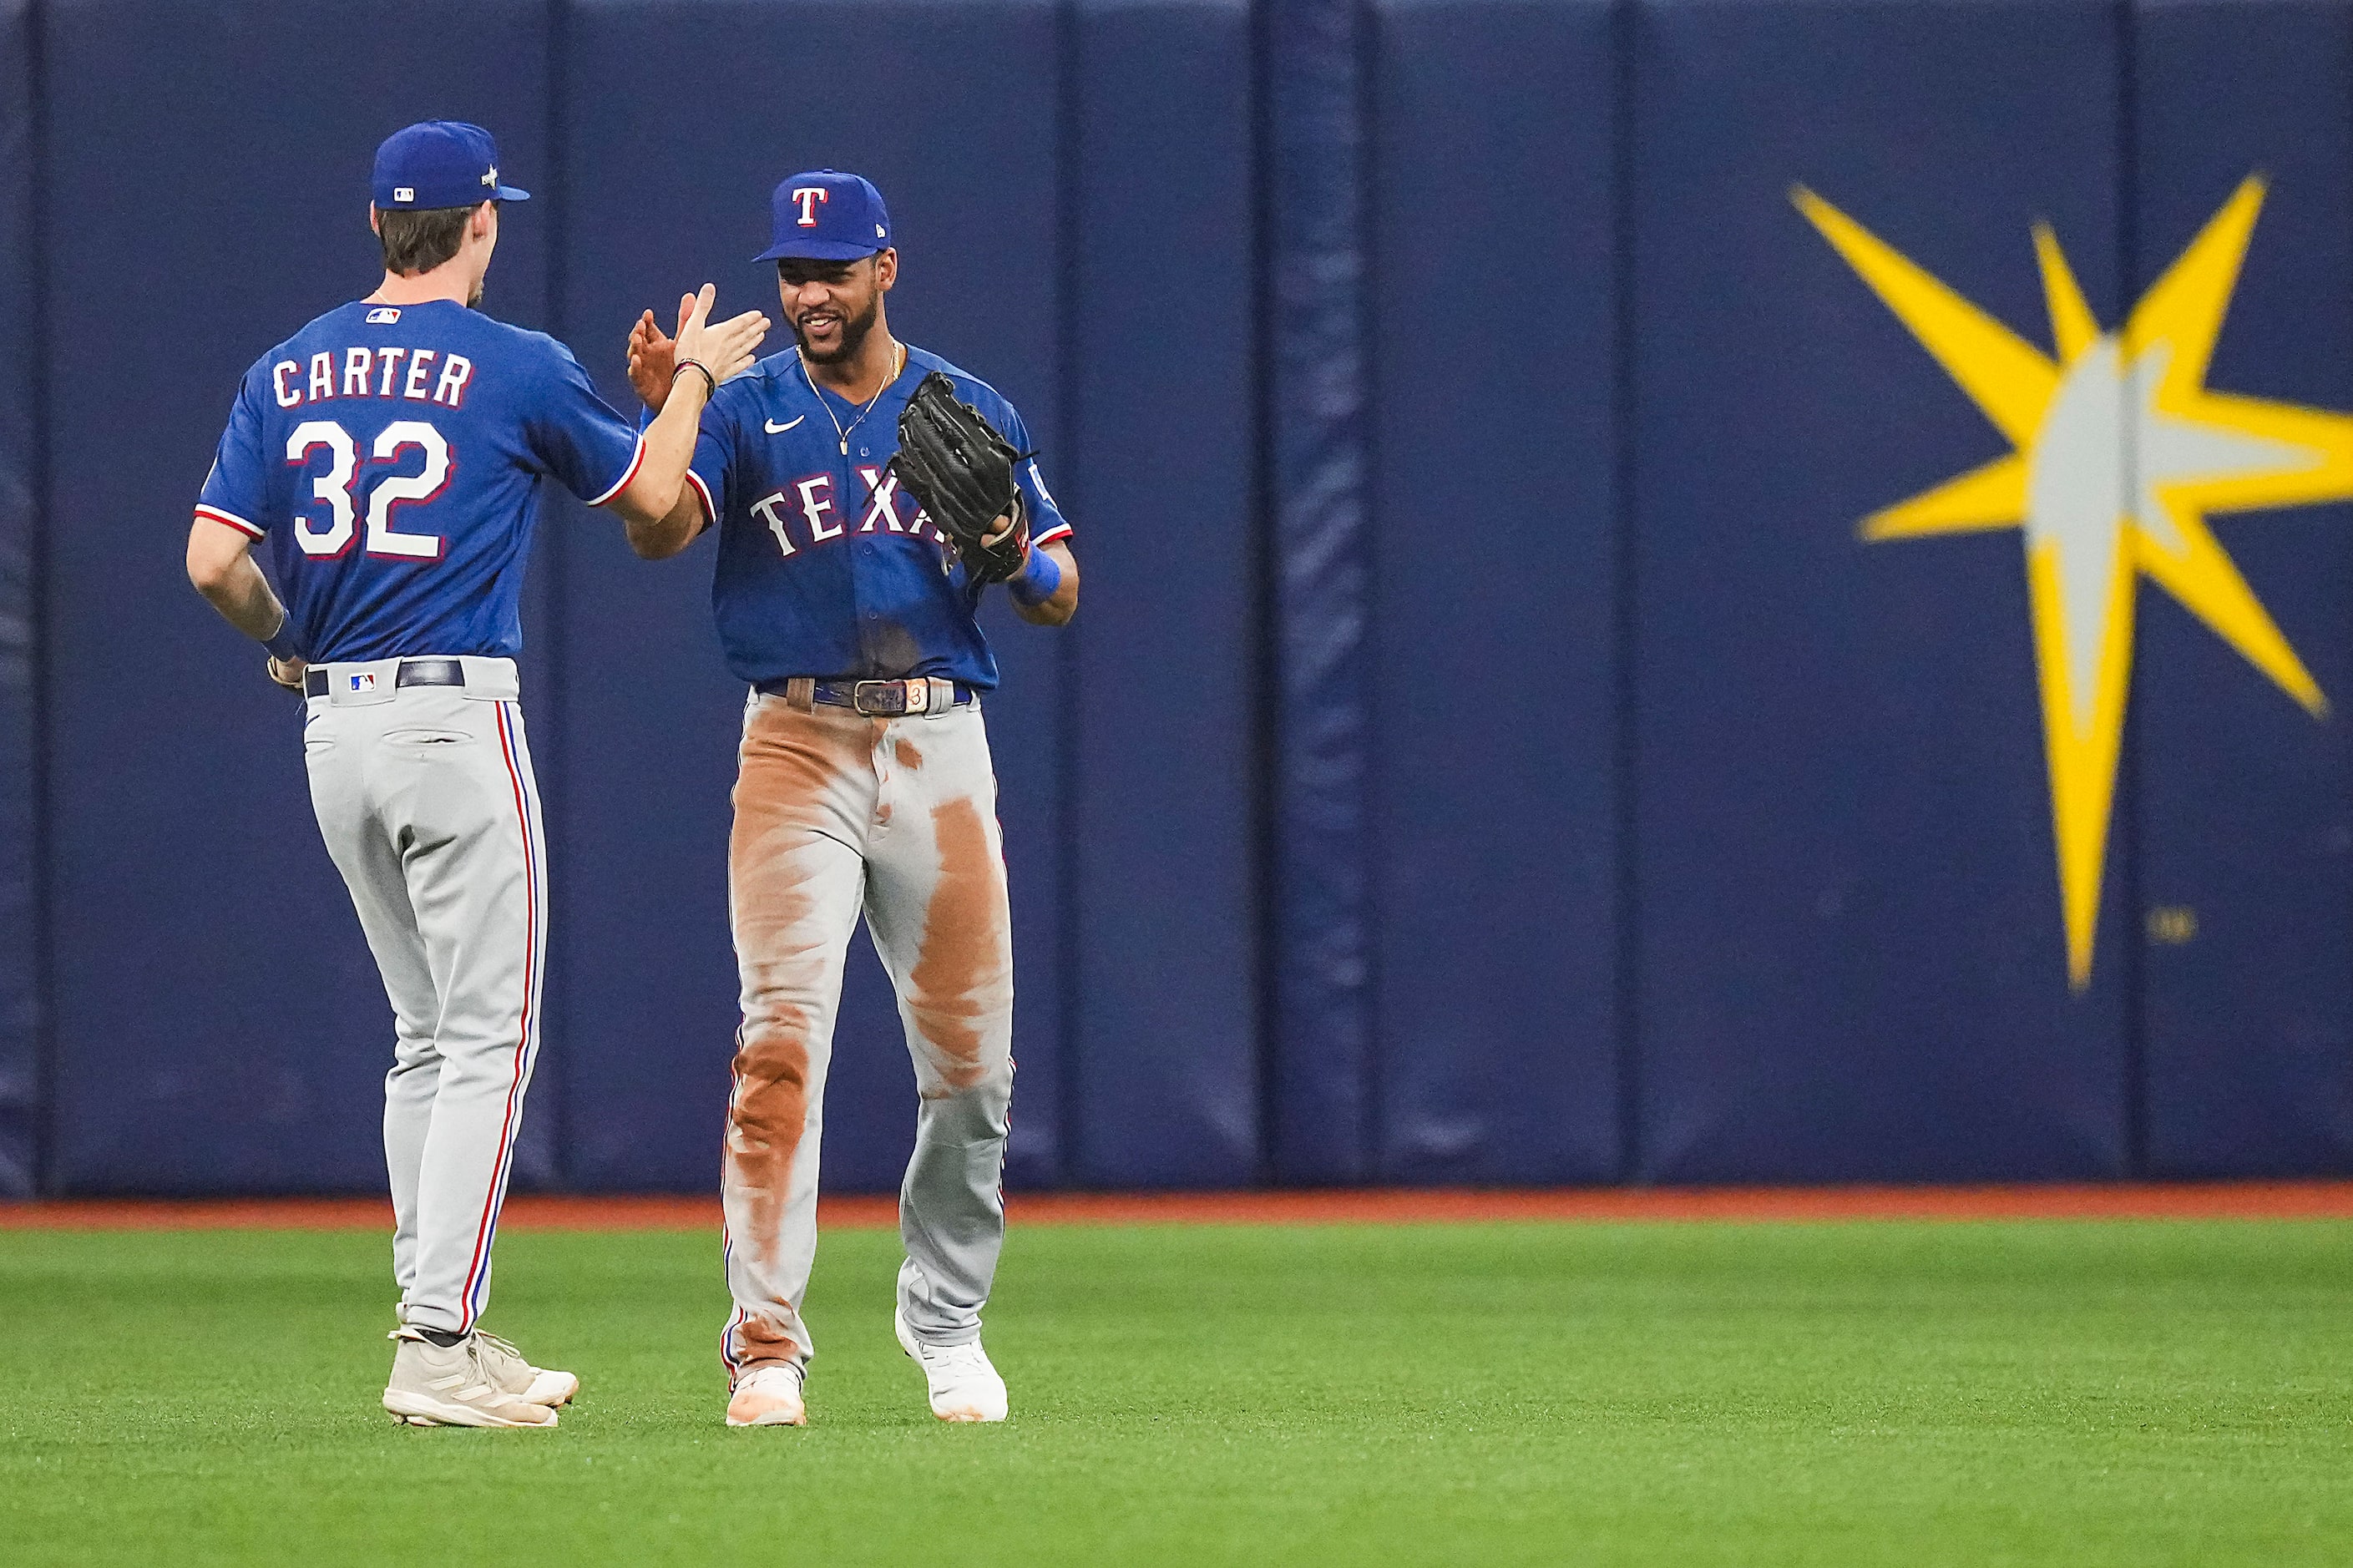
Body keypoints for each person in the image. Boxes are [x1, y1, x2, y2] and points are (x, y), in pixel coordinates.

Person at [184, 119, 768, 1428]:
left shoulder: (287, 367)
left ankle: (437, 1316)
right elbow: (655, 493)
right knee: (488, 1040)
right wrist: (692, 383)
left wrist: (289, 644)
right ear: (481, 224)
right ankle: (437, 1341)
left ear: (378, 226)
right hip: (453, 722)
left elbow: (214, 562)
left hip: (334, 729)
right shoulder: (510, 364)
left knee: (422, 1037)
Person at [623, 169, 1078, 1428]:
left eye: (832, 269)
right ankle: (764, 1340)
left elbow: (1056, 590)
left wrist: (1012, 551)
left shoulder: (964, 405)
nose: (808, 292)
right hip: (796, 741)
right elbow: (654, 530)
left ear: (886, 268)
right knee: (777, 1047)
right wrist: (681, 401)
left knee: (972, 1069)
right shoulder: (746, 404)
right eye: (792, 271)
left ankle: (944, 1319)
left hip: (937, 745)